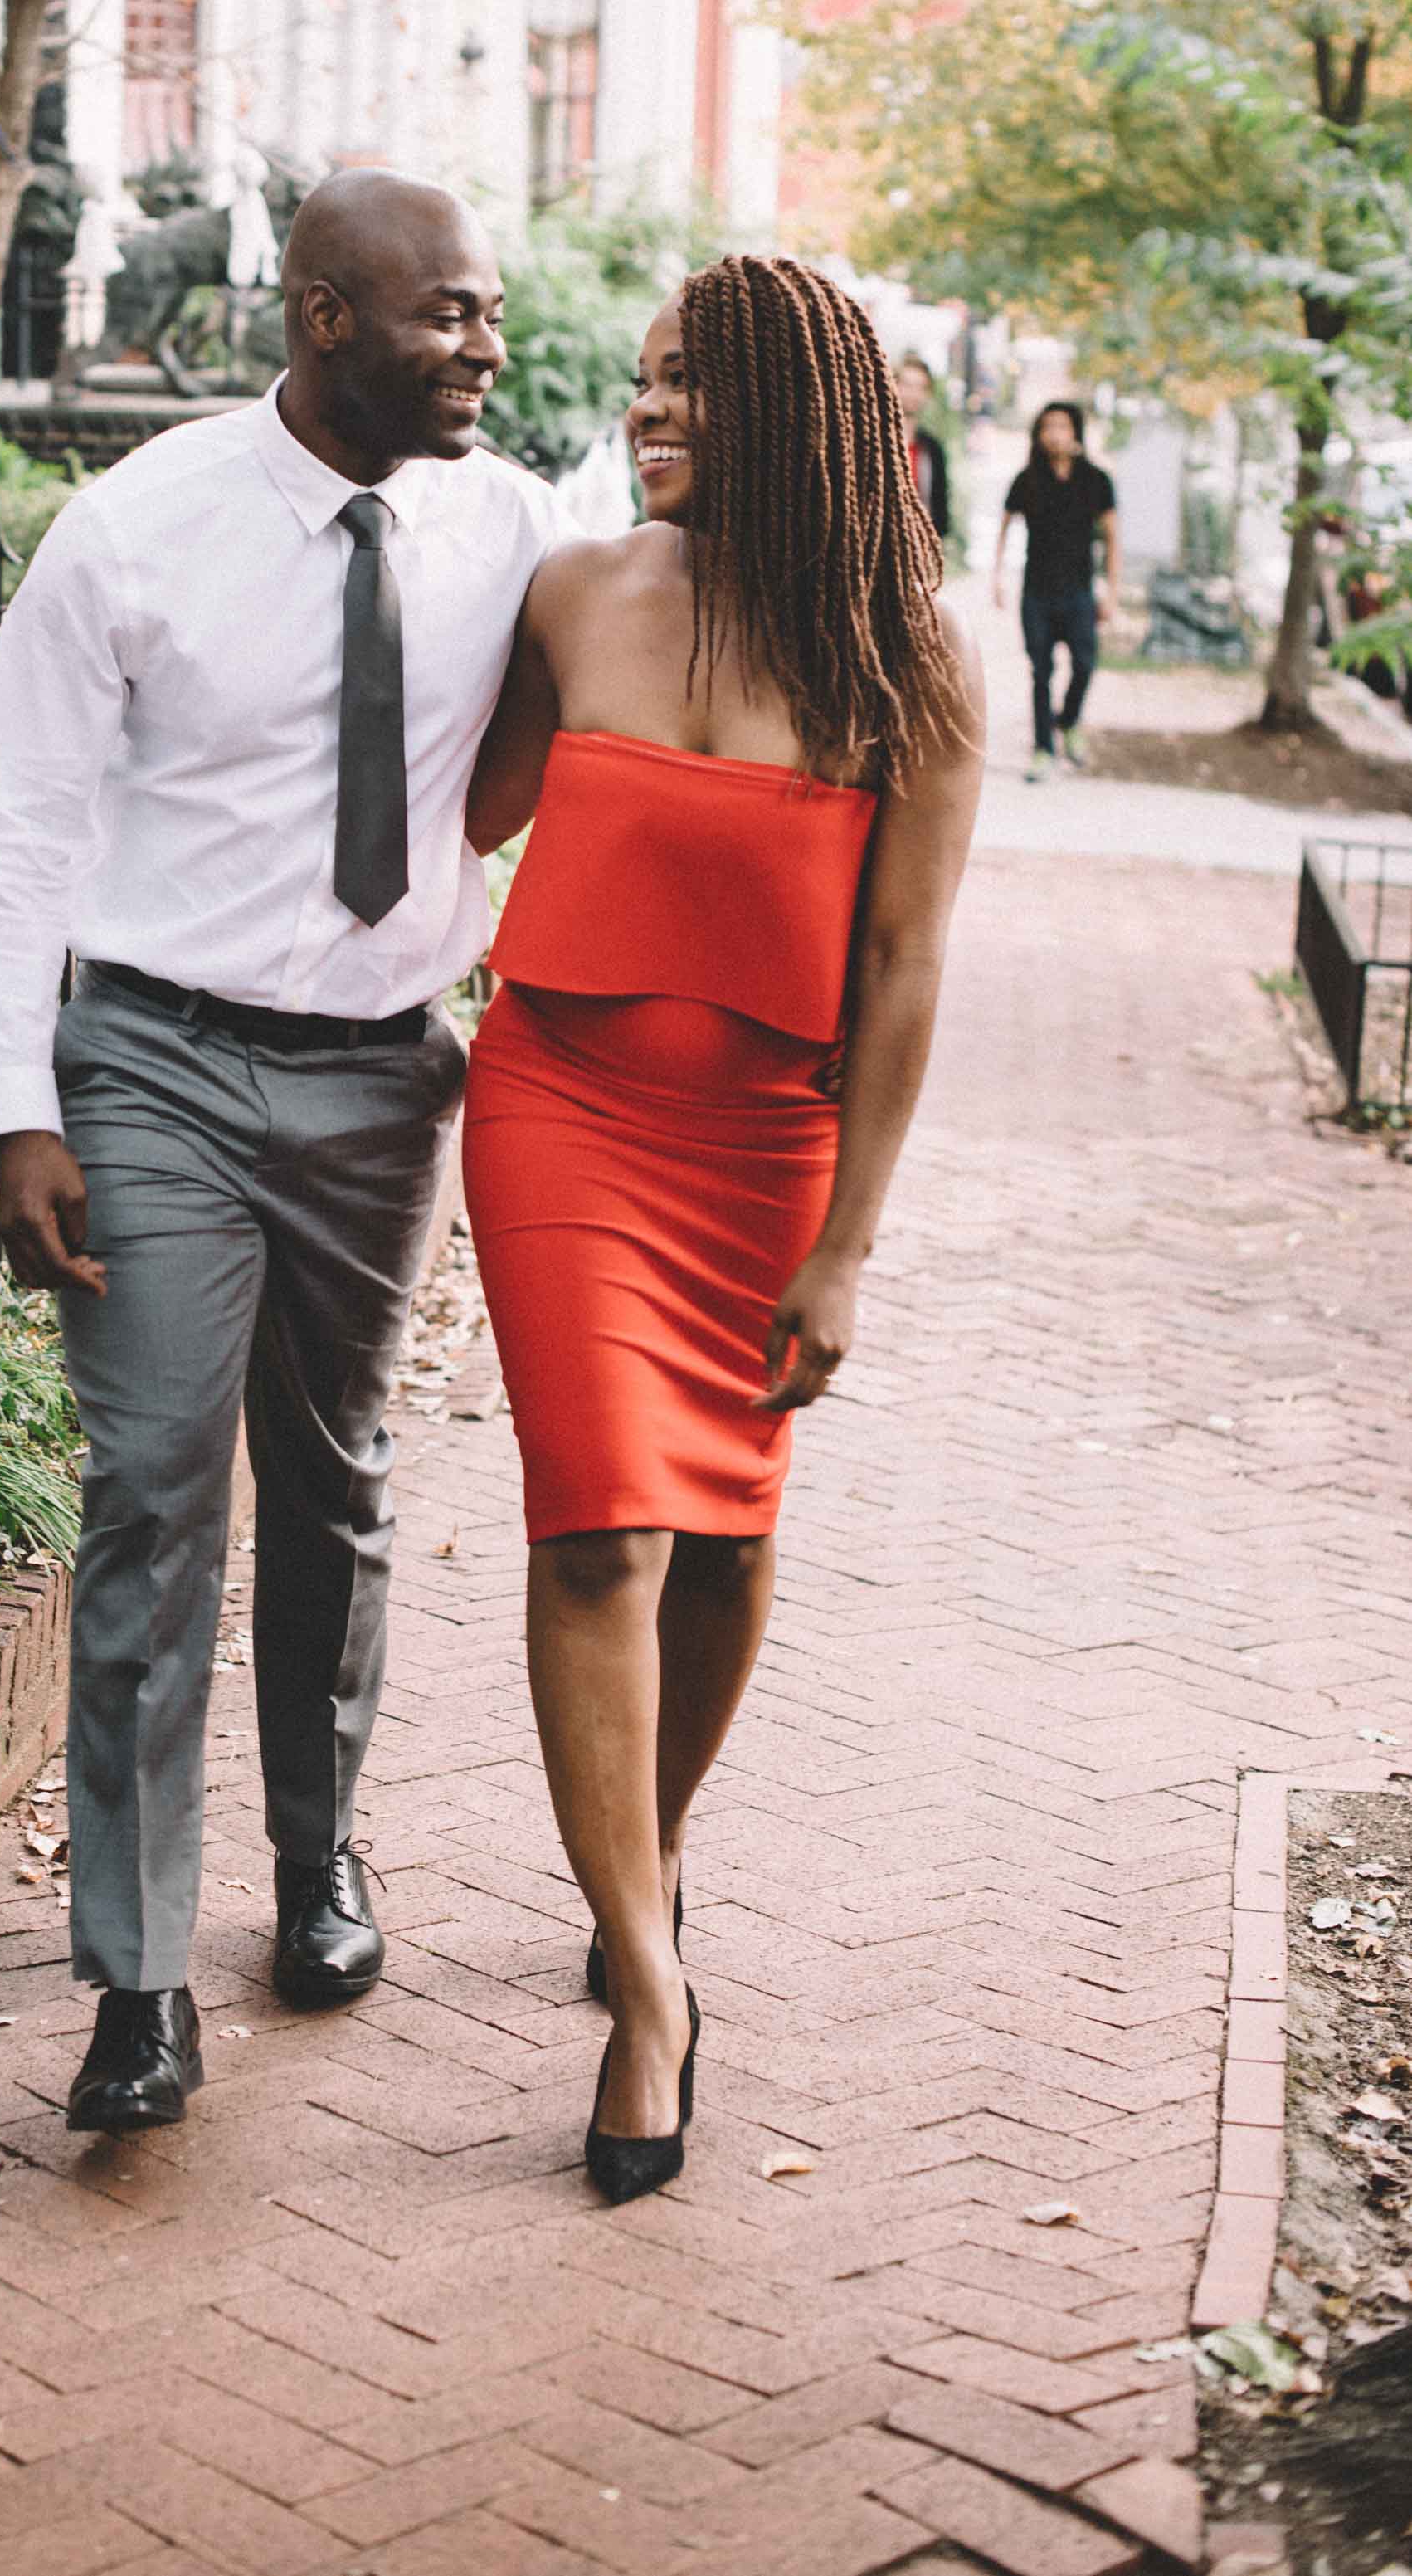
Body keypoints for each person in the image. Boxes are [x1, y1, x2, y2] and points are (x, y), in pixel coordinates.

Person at [0, 169, 564, 2136]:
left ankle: (319, 1855)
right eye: (448, 316)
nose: (484, 349)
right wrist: (15, 1104)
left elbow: (656, 651)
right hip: (157, 1064)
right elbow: (19, 823)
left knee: (336, 1481)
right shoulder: (135, 531)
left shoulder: (515, 524)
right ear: (321, 319)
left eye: (486, 317)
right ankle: (136, 1975)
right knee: (146, 1492)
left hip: (385, 1081)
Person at [464, 256, 982, 2203]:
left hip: (763, 1141)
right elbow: (457, 816)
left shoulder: (904, 657)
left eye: (689, 385)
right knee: (600, 1522)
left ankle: (642, 1855)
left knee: (724, 1538)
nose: (645, 409)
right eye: (643, 380)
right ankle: (651, 1994)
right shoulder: (577, 593)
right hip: (556, 1109)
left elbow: (910, 969)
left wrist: (847, 1242)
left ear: (797, 410)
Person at [992, 400, 1119, 779]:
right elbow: (1005, 527)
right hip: (1037, 593)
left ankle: (1069, 721)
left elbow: (1114, 538)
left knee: (1085, 664)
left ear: (1076, 432)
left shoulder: (1096, 480)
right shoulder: (1027, 479)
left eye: (1063, 426)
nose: (1055, 434)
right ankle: (1043, 749)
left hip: (1080, 593)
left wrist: (1112, 592)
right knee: (1041, 671)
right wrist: (996, 577)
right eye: (1048, 427)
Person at [896, 354, 952, 542]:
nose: (913, 393)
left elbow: (940, 507)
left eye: (920, 387)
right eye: (907, 385)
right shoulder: (875, 443)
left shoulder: (932, 449)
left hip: (919, 546)